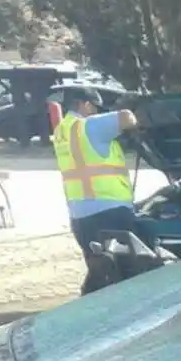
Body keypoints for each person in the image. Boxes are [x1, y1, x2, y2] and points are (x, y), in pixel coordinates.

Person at [52, 87, 141, 277]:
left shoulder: (62, 131)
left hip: (80, 217)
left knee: (102, 273)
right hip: (109, 213)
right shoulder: (88, 126)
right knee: (127, 274)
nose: (97, 112)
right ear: (84, 105)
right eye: (95, 108)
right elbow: (127, 117)